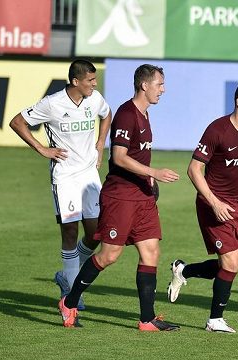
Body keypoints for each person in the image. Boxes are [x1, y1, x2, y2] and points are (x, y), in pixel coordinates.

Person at [58, 64, 181, 331]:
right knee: (109, 255)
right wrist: (154, 172)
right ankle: (70, 301)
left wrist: (148, 180)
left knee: (151, 251)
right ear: (144, 85)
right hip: (121, 197)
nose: (163, 89)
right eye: (159, 84)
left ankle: (146, 319)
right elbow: (119, 158)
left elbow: (136, 156)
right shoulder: (127, 114)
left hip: (143, 197)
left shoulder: (145, 115)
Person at [9, 59, 111, 311]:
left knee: (96, 233)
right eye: (90, 80)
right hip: (65, 176)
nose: (94, 84)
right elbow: (17, 122)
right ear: (75, 81)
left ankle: (68, 273)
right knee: (70, 232)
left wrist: (100, 143)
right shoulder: (52, 104)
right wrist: (41, 148)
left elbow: (107, 114)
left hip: (89, 174)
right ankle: (72, 289)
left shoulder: (94, 99)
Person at [167, 81, 238, 333]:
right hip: (213, 203)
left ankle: (183, 270)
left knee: (229, 265)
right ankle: (214, 320)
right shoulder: (217, 130)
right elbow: (193, 169)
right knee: (230, 262)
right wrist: (214, 202)